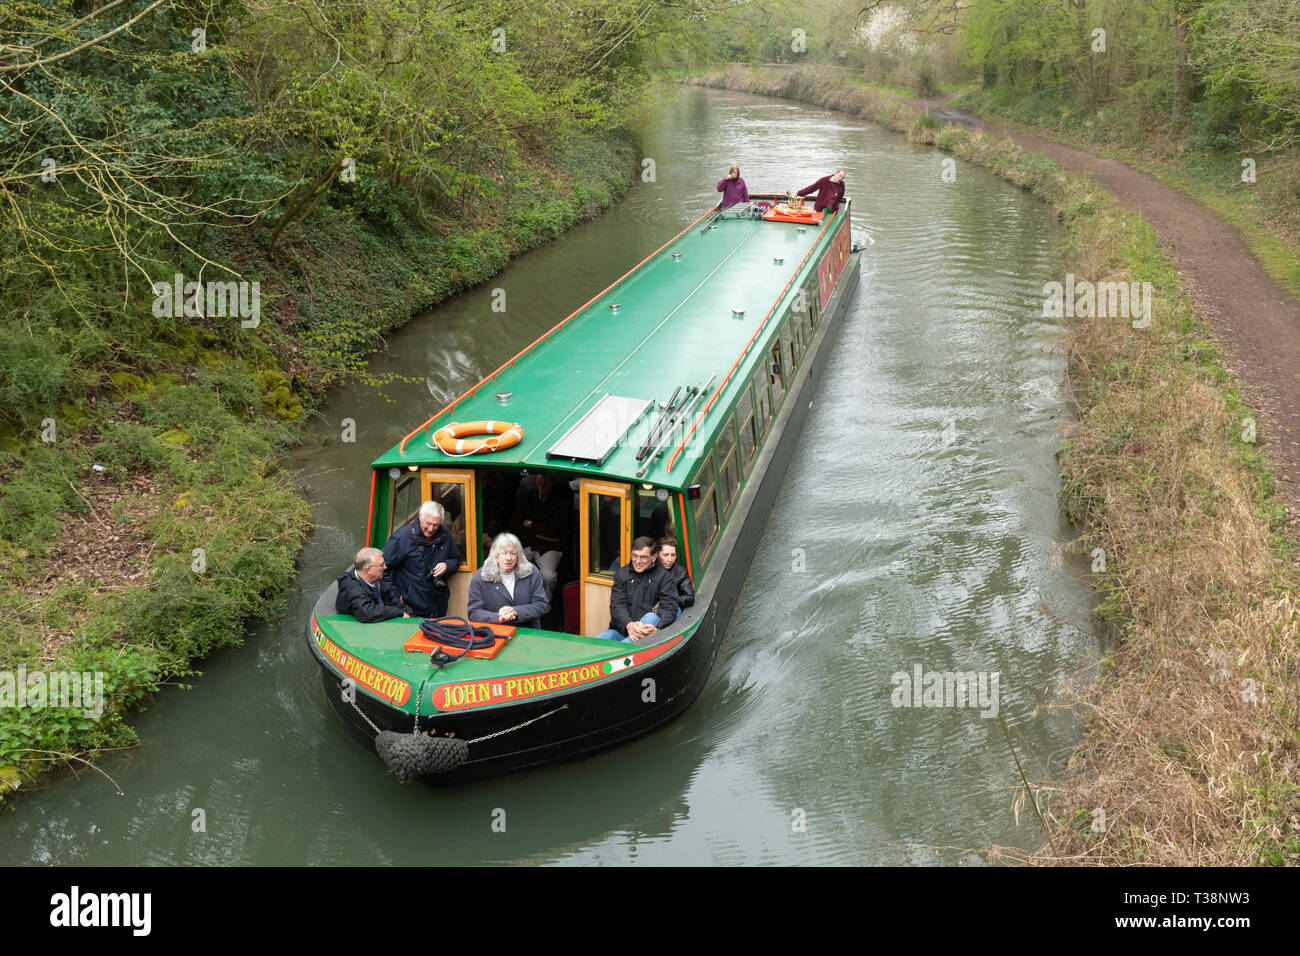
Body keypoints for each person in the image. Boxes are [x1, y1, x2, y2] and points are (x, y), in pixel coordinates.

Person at [382, 500, 461, 618]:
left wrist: (446, 565)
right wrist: (396, 597)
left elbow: (455, 559)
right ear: (419, 516)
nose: (430, 529)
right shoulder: (401, 538)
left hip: (438, 605)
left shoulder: (445, 534)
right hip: (410, 607)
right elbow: (382, 570)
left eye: (435, 525)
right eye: (428, 523)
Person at [595, 537, 679, 642]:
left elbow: (669, 607)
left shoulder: (665, 578)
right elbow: (617, 605)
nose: (638, 561)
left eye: (643, 557)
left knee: (651, 617)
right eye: (634, 556)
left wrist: (658, 629)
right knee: (595, 644)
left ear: (654, 557)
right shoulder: (622, 574)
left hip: (647, 632)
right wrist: (629, 624)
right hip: (622, 630)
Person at [467, 533, 550, 630]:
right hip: (496, 633)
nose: (508, 558)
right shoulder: (480, 577)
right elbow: (473, 612)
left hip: (529, 632)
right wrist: (499, 617)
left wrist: (516, 612)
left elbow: (541, 605)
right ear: (496, 555)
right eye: (504, 553)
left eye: (513, 553)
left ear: (518, 555)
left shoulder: (532, 572)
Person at [510, 472, 568, 604]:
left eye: (544, 485)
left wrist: (531, 524)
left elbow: (555, 529)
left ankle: (544, 604)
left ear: (552, 484)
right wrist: (540, 530)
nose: (541, 488)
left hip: (550, 547)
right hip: (529, 543)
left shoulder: (560, 500)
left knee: (547, 576)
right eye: (539, 484)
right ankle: (517, 602)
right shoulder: (530, 496)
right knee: (510, 566)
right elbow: (515, 524)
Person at [335, 548, 413, 623]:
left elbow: (394, 601)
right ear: (368, 570)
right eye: (381, 565)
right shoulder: (352, 589)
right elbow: (367, 612)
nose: (385, 567)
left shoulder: (377, 580)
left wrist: (414, 618)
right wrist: (398, 612)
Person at [655, 537, 694, 610]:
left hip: (672, 608)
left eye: (673, 555)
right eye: (665, 555)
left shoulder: (680, 572)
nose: (670, 559)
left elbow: (689, 598)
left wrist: (669, 600)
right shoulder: (650, 569)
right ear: (657, 554)